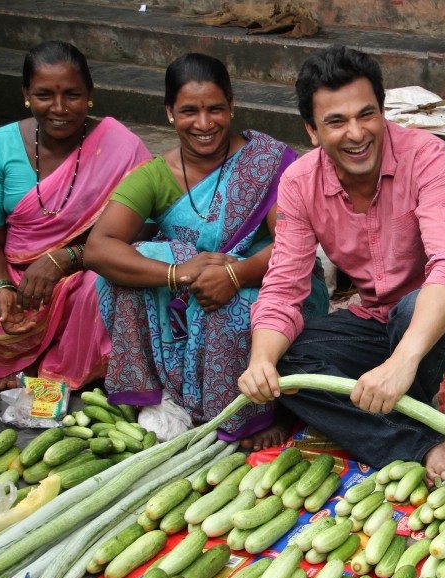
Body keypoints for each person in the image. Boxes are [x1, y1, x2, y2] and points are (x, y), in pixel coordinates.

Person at [238, 46, 445, 481]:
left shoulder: (427, 156)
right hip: (380, 319)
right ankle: (422, 445)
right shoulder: (300, 183)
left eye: (367, 115)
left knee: (412, 309)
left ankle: (401, 430)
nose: (356, 133)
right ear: (312, 130)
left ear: (383, 112)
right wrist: (262, 361)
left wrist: (403, 361)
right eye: (336, 122)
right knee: (285, 361)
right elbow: (284, 288)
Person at [86, 53, 327, 448]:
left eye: (215, 109)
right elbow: (99, 247)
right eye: (189, 111)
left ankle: (255, 413)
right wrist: (178, 273)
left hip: (271, 283)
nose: (204, 123)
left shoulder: (266, 162)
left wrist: (233, 275)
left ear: (232, 106)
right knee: (130, 269)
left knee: (229, 308)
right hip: (193, 292)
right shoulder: (155, 174)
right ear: (169, 112)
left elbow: (293, 246)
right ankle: (163, 394)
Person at [0, 41, 150, 389]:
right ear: (26, 93)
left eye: (72, 94)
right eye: (44, 95)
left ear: (90, 94)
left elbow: (143, 231)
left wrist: (65, 259)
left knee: (106, 291)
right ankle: (15, 342)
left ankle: (49, 363)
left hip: (85, 271)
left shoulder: (122, 146)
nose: (59, 108)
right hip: (15, 274)